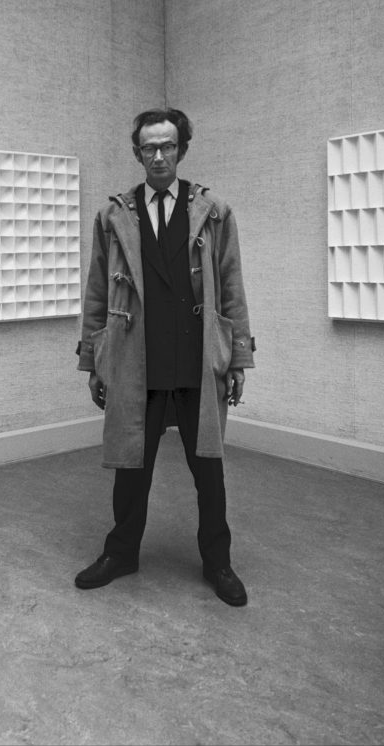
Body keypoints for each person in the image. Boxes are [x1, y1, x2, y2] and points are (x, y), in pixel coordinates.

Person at [74, 108, 255, 606]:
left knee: (209, 469)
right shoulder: (113, 216)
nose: (158, 156)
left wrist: (238, 357)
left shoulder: (213, 212)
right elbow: (96, 291)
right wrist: (93, 360)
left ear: (182, 150)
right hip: (138, 359)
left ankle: (218, 561)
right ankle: (121, 553)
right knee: (131, 465)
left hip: (197, 359)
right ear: (137, 153)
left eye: (168, 146)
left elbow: (233, 288)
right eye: (149, 147)